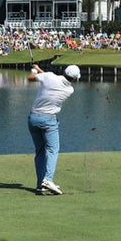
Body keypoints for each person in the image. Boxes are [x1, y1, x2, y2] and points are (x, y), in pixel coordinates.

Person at [27, 63, 80, 195]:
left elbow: (31, 78)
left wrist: (34, 71)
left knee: (40, 151)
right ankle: (48, 180)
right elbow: (52, 81)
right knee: (52, 149)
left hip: (33, 118)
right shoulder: (69, 90)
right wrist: (39, 70)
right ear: (74, 79)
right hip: (49, 120)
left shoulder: (49, 77)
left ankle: (41, 184)